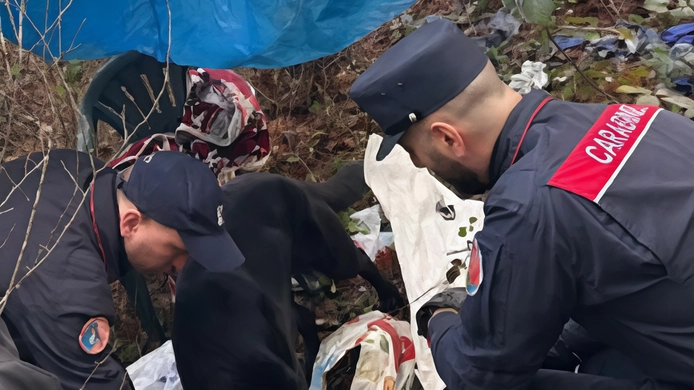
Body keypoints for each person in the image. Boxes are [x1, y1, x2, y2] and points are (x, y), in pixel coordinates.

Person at [349, 18, 694, 390]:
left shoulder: (530, 204)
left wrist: (439, 317)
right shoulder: (635, 118)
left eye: (414, 152)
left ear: (448, 138)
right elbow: (631, 271)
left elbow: (478, 375)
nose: (418, 165)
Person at [0, 149, 243, 389]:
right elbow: (96, 384)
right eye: (179, 251)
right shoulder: (65, 294)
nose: (183, 267)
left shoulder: (77, 167)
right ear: (131, 223)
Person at [171, 162, 403, 390]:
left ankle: (385, 288)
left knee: (343, 263)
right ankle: (310, 335)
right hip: (238, 294)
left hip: (268, 201)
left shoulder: (261, 366)